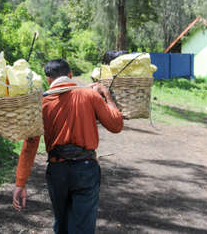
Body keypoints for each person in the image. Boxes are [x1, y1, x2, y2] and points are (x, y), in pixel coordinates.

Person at [12, 59, 124, 234]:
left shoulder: (41, 103)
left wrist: (20, 182)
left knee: (62, 224)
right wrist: (107, 95)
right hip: (86, 169)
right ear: (70, 75)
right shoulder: (90, 95)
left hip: (57, 171)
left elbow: (30, 145)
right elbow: (116, 125)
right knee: (83, 226)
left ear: (48, 79)